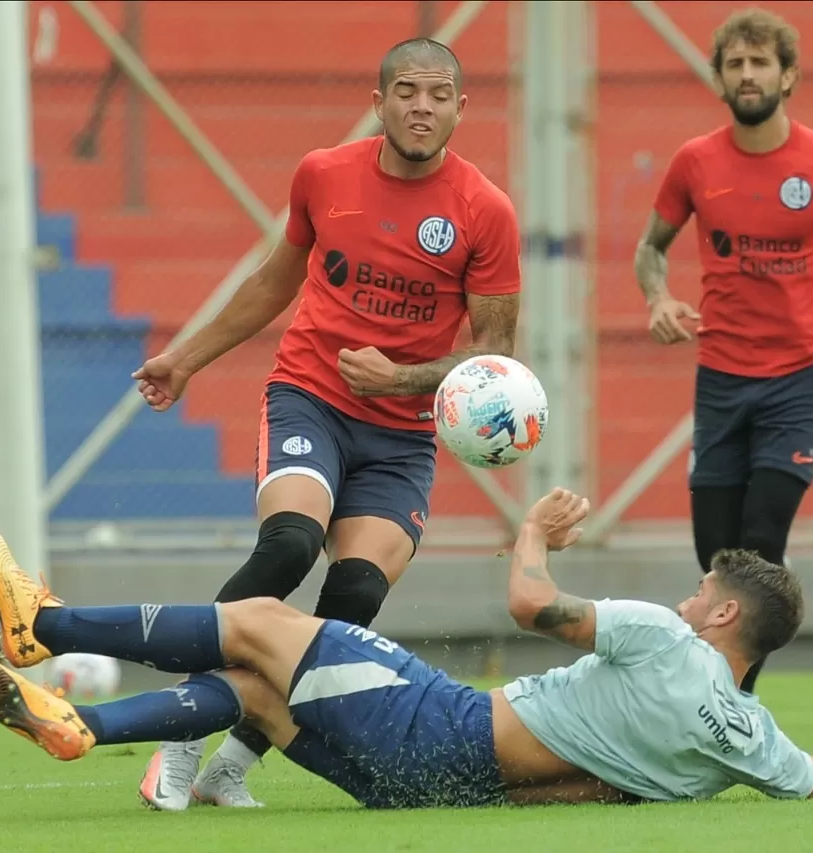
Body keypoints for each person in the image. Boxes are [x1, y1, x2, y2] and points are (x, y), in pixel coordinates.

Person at [0, 494, 813, 810]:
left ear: (718, 619)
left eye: (698, 592)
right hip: (440, 785)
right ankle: (83, 724)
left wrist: (532, 527)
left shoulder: (663, 640)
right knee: (255, 691)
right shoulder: (739, 737)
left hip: (434, 719)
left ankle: (46, 627)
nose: (681, 597)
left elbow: (530, 603)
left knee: (262, 620)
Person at [127, 37, 522, 809]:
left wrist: (402, 377)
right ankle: (178, 731)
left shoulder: (486, 211)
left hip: (401, 435)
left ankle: (233, 761)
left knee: (355, 596)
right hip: (312, 395)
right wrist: (185, 359)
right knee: (290, 544)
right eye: (407, 91)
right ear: (379, 103)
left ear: (461, 110)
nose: (422, 106)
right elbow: (275, 280)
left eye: (439, 95)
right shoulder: (324, 173)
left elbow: (495, 357)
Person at [634, 8, 813, 693]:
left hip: (798, 378)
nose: (748, 75)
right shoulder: (695, 161)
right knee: (716, 555)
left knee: (759, 541)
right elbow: (649, 249)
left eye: (760, 62)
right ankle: (717, 696)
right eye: (735, 64)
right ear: (719, 77)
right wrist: (657, 299)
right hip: (720, 378)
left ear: (790, 75)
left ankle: (731, 701)